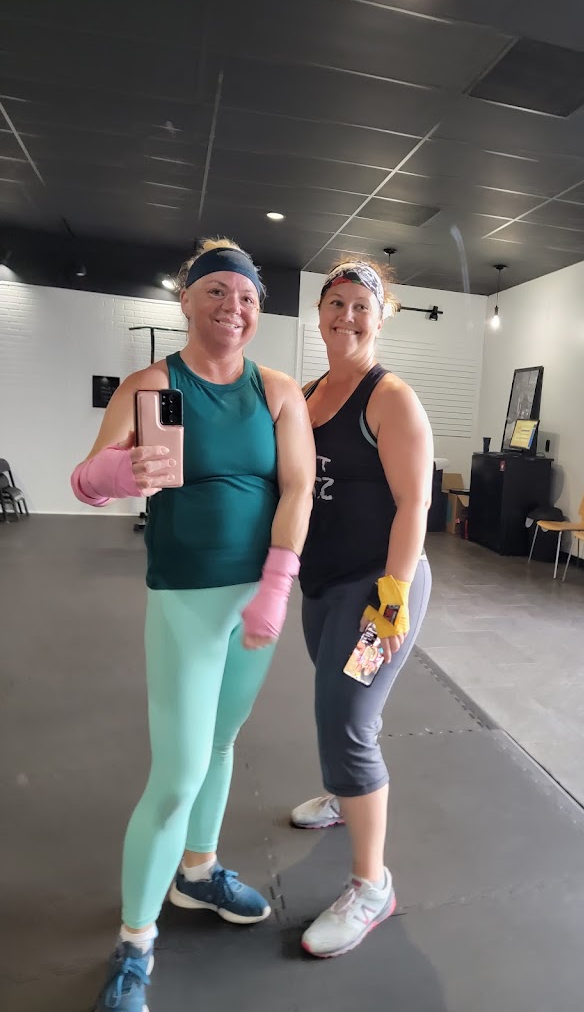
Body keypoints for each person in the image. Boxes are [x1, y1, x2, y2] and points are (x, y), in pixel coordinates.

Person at [71, 239, 315, 1011]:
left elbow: (298, 488)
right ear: (186, 300)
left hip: (256, 600)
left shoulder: (278, 391)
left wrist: (277, 584)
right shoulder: (156, 386)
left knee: (220, 743)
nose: (232, 307)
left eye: (245, 297)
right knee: (177, 773)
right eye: (216, 291)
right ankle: (135, 942)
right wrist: (118, 471)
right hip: (185, 597)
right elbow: (87, 478)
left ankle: (199, 872)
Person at [290, 258, 433, 958]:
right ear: (319, 313)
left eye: (360, 307)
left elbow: (415, 504)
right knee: (334, 703)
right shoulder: (308, 394)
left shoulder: (390, 398)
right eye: (336, 303)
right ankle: (346, 799)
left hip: (379, 589)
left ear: (380, 320)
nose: (346, 316)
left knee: (348, 719)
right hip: (322, 585)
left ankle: (372, 887)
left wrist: (392, 598)